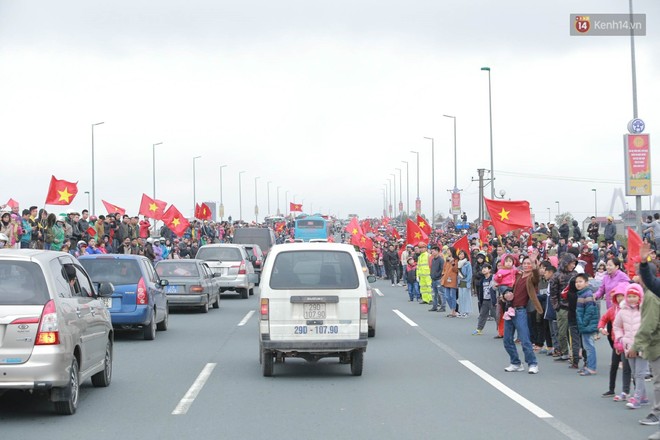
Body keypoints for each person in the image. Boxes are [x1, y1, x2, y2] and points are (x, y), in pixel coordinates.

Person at [631, 262, 660, 434]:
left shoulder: (651, 296)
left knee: (658, 382)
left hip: (657, 343)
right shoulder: (650, 293)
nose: (635, 277)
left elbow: (649, 324)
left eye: (638, 274)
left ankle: (657, 413)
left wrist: (636, 345)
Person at [502, 255, 544, 374]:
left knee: (525, 340)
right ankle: (515, 363)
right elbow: (508, 288)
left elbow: (536, 276)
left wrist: (534, 263)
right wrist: (506, 295)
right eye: (524, 263)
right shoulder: (518, 275)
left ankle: (533, 363)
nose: (526, 265)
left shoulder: (532, 278)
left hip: (522, 311)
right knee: (507, 340)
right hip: (510, 309)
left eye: (528, 263)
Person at [613, 283, 648, 410]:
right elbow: (616, 326)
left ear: (640, 297)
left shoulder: (645, 310)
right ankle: (643, 397)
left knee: (639, 373)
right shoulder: (622, 311)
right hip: (628, 345)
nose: (632, 299)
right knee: (634, 373)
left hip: (642, 346)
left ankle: (637, 398)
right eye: (630, 296)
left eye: (635, 296)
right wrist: (621, 338)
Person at [598, 282, 632, 401]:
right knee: (614, 366)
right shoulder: (613, 310)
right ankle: (611, 389)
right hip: (616, 343)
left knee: (631, 369)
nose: (619, 298)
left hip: (628, 343)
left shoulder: (631, 310)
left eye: (621, 295)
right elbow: (603, 319)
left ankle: (635, 392)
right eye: (617, 296)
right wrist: (601, 328)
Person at [549, 253, 578, 362]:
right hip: (562, 307)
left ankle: (575, 353)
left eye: (575, 263)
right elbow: (553, 293)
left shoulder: (576, 274)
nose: (573, 265)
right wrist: (557, 307)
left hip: (574, 307)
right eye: (571, 263)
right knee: (562, 332)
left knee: (574, 332)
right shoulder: (556, 276)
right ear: (566, 263)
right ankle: (565, 352)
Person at [575, 273, 599, 376]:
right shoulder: (582, 294)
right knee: (587, 346)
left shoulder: (587, 294)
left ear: (586, 283)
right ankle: (588, 366)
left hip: (587, 325)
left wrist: (583, 323)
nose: (578, 284)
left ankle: (591, 367)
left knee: (589, 346)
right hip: (585, 324)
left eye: (580, 281)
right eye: (576, 282)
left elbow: (590, 311)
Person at [473, 263, 496, 335]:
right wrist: (480, 300)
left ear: (489, 270)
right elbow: (480, 291)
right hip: (485, 300)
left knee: (496, 315)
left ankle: (502, 331)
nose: (483, 269)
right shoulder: (482, 279)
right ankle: (479, 329)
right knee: (482, 315)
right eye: (482, 268)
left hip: (492, 300)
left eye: (485, 268)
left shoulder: (493, 278)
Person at [441, 248, 459, 317]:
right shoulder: (447, 259)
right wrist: (443, 275)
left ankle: (453, 311)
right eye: (447, 251)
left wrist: (453, 263)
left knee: (452, 296)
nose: (448, 252)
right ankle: (453, 309)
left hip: (453, 279)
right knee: (447, 296)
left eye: (449, 251)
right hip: (446, 278)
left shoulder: (456, 259)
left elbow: (456, 270)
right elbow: (444, 268)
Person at [457, 249, 473, 318]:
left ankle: (466, 311)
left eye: (462, 254)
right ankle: (461, 311)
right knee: (461, 297)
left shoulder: (467, 263)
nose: (461, 256)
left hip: (466, 282)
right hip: (460, 282)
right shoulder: (458, 263)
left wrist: (469, 282)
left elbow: (469, 274)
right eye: (460, 254)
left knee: (466, 297)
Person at [428, 245, 445, 312]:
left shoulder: (441, 260)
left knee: (441, 293)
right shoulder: (433, 260)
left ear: (437, 251)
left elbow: (442, 269)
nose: (432, 253)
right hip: (433, 278)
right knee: (434, 293)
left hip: (439, 279)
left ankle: (443, 306)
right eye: (431, 251)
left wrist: (438, 275)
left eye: (433, 251)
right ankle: (435, 306)